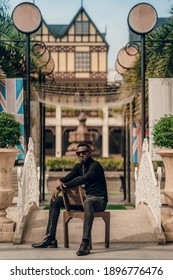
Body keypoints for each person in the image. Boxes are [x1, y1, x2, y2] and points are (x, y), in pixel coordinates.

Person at [32, 142, 108, 256]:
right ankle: (50, 238)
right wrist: (59, 183)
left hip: (99, 200)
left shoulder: (95, 166)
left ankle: (85, 243)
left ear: (89, 153)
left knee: (88, 202)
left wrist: (63, 186)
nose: (81, 155)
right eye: (78, 153)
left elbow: (83, 179)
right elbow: (65, 178)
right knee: (56, 200)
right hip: (87, 200)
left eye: (84, 152)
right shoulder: (79, 167)